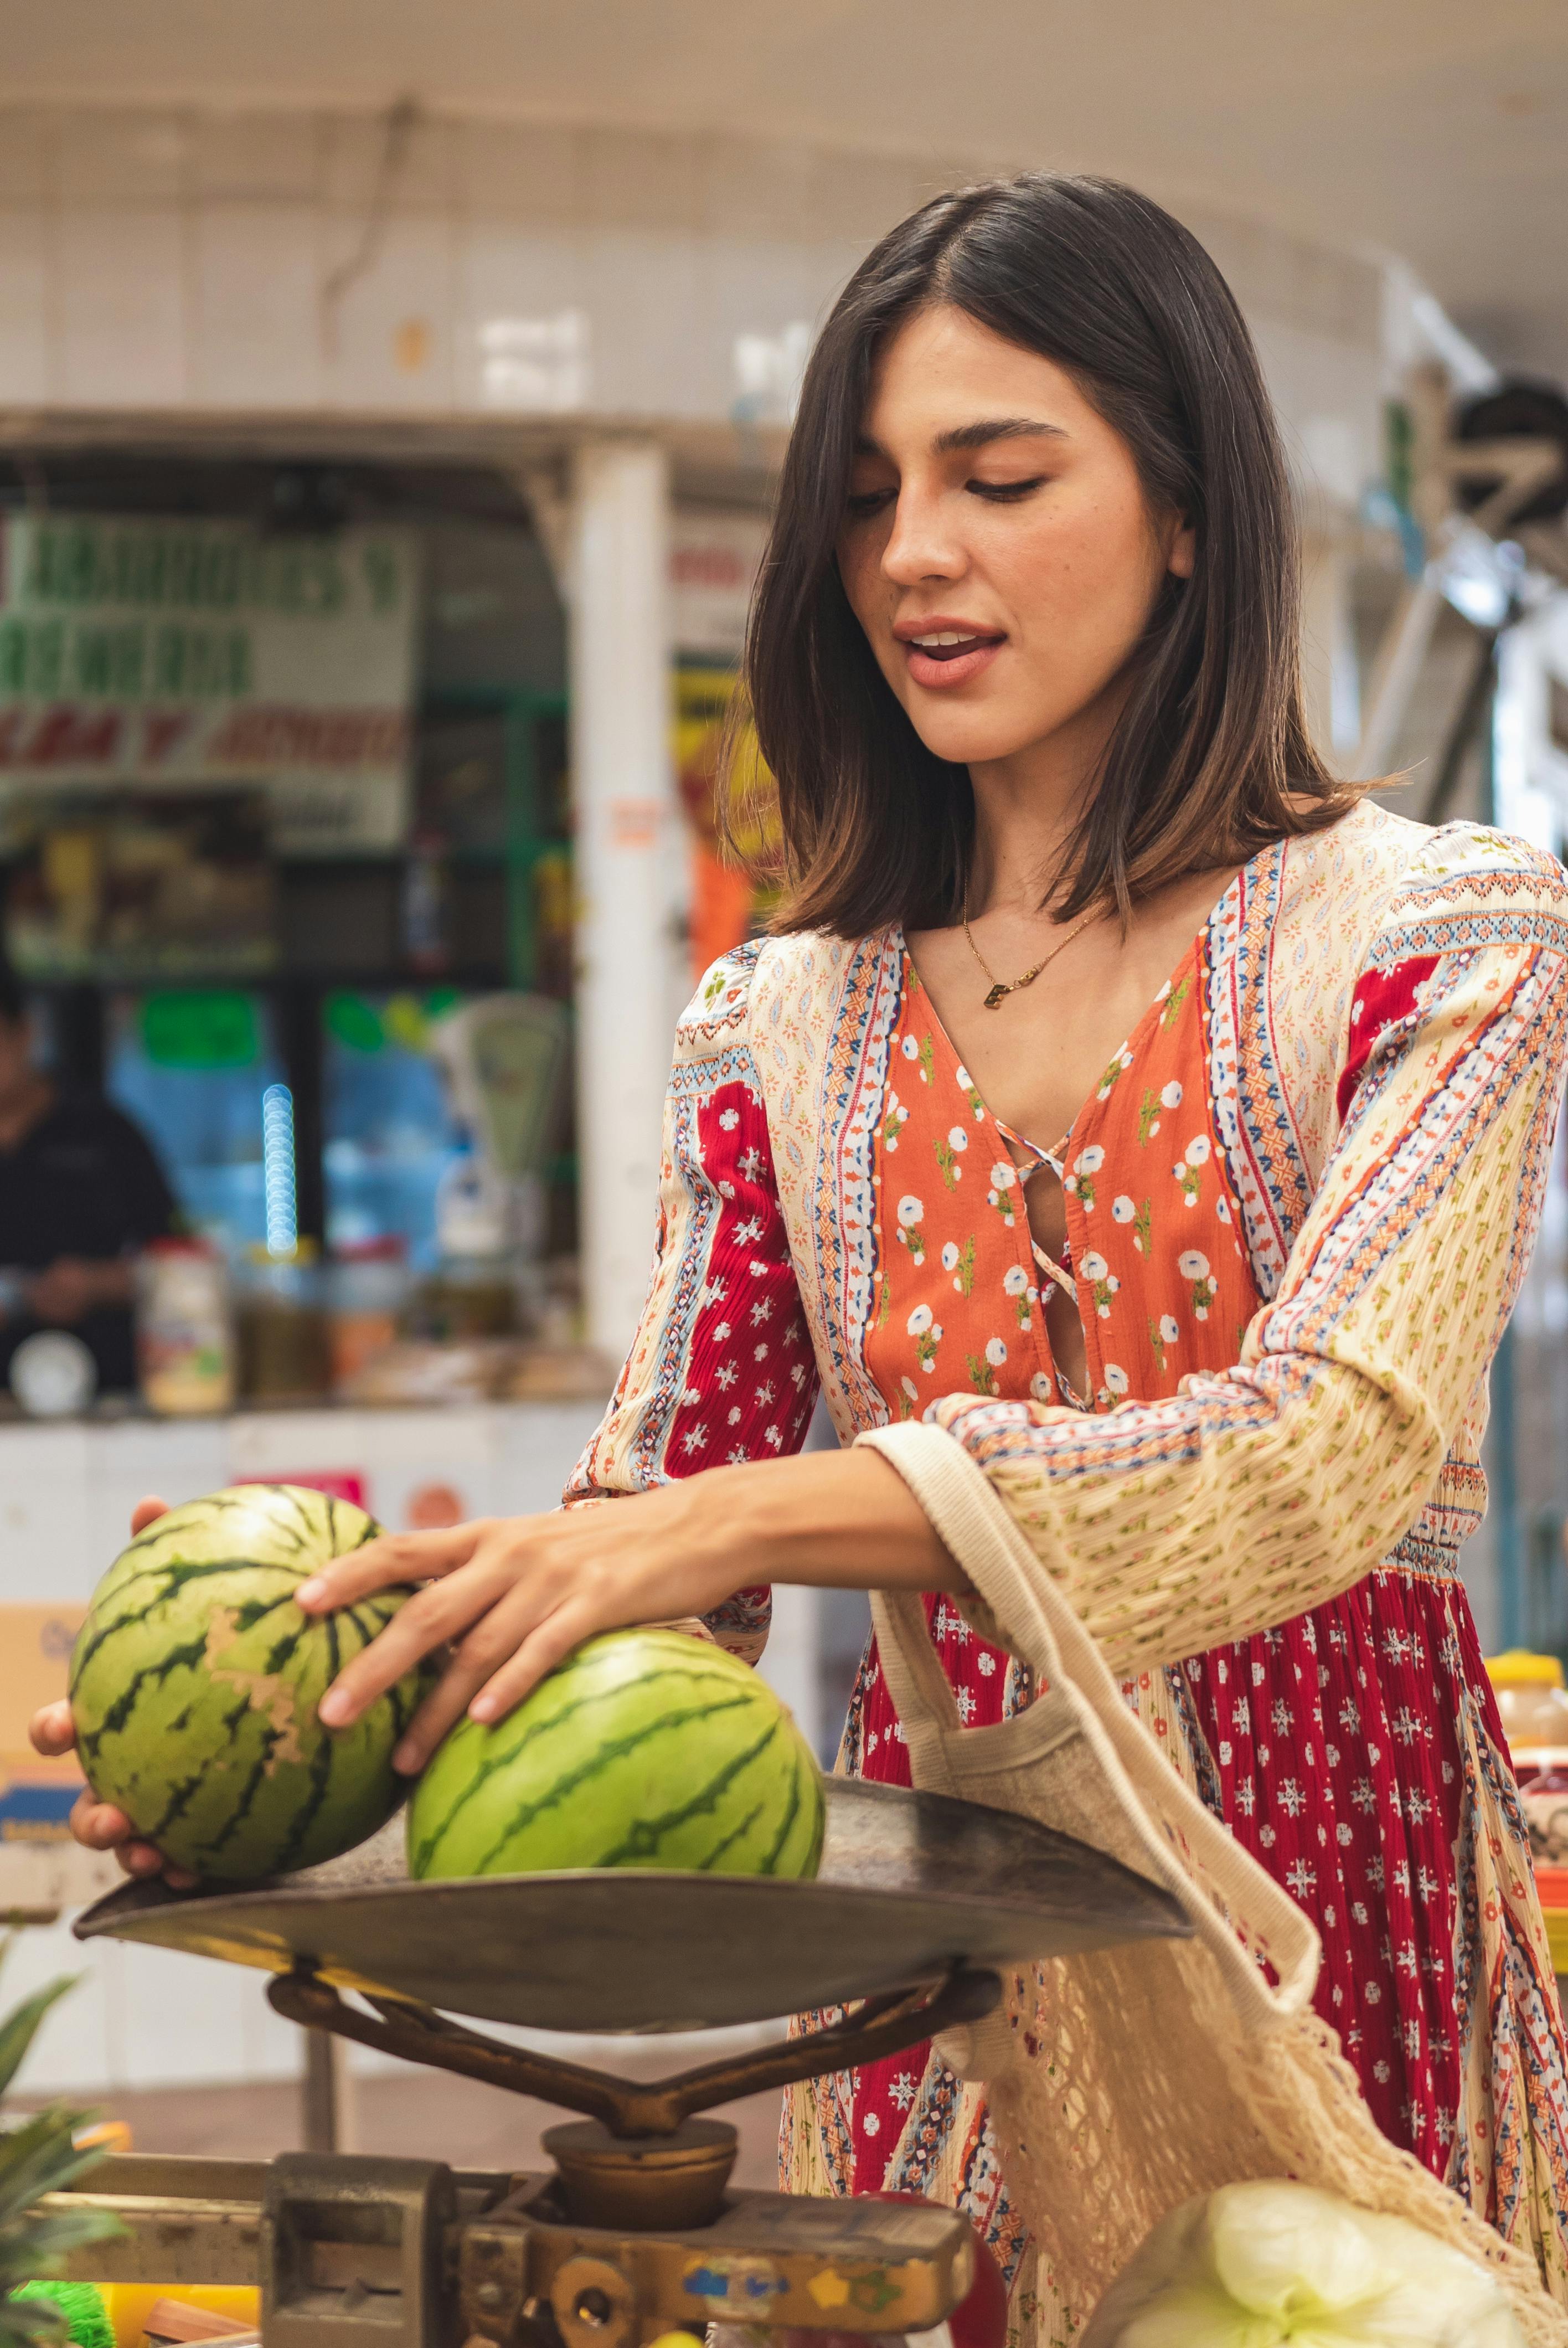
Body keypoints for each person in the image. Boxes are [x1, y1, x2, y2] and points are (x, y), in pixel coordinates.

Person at [37, 174, 1568, 2321]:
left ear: (1195, 504)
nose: (910, 554)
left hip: (1347, 1925)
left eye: (996, 474)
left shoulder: (1438, 934)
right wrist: (297, 1758)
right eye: (862, 499)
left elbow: (1315, 1459)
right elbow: (660, 1563)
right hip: (949, 1974)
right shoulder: (781, 1022)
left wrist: (728, 1519)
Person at [0, 961, 177, 1394]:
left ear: (24, 1033)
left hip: (109, 1397)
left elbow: (176, 1266)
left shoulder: (108, 1134)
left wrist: (95, 1283)